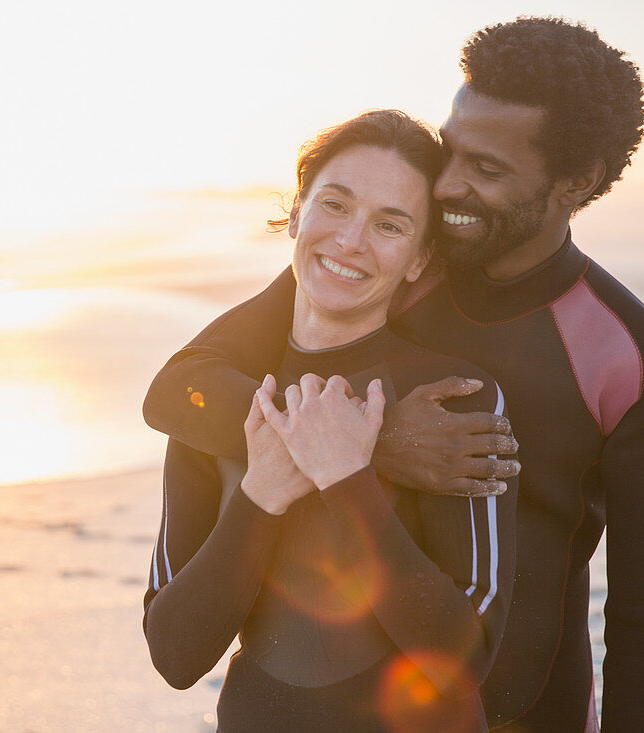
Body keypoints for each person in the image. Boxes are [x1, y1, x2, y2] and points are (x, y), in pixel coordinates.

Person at [142, 17, 644, 733]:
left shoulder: (630, 352)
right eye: (451, 149)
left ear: (575, 182)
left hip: (537, 709)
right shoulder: (384, 274)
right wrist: (374, 442)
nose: (450, 183)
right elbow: (179, 389)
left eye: (487, 170)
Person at [144, 110, 518, 732]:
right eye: (335, 205)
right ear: (295, 215)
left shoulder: (453, 401)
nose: (350, 241)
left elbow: (466, 654)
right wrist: (263, 492)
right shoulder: (220, 399)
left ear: (422, 257)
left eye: (390, 225)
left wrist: (346, 478)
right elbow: (175, 654)